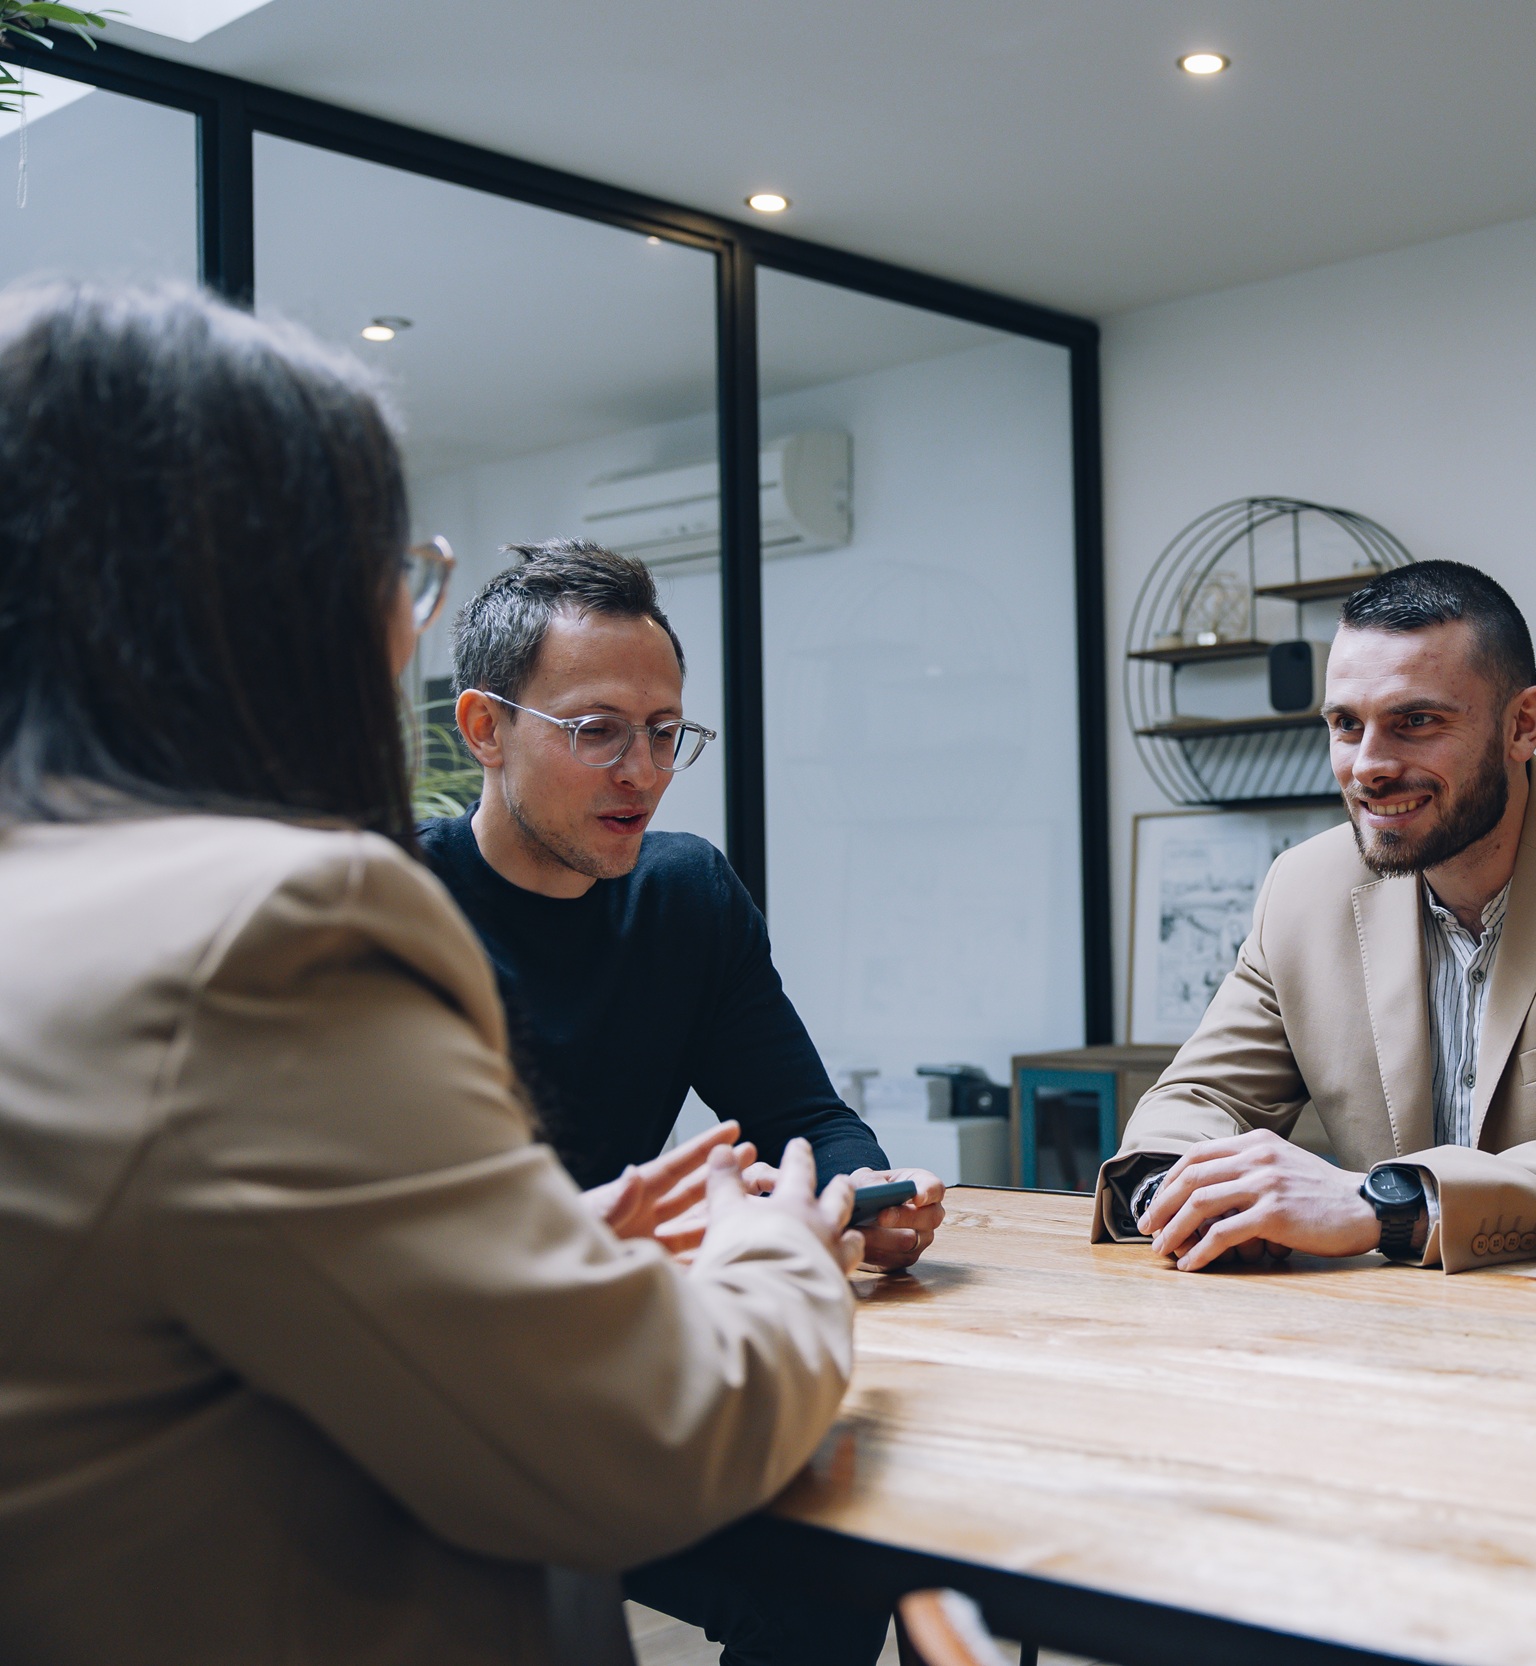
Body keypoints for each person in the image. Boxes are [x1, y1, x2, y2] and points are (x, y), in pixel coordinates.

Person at [0, 282, 868, 1663]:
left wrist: (548, 1244)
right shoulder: (285, 932)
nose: (402, 623)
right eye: (393, 574)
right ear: (262, 601)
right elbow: (649, 1433)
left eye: (663, 731)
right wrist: (781, 1247)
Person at [1095, 560, 1536, 1271]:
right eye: (1346, 724)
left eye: (1416, 722)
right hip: (1407, 1321)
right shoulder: (1303, 889)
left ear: (1523, 725)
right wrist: (1182, 1195)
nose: (1368, 766)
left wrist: (1386, 1205)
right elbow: (1195, 1098)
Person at [422, 540, 945, 1277]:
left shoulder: (684, 896)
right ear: (485, 728)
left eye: (664, 732)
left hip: (632, 1310)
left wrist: (857, 1194)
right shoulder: (388, 901)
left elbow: (803, 1119)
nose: (642, 773)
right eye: (596, 731)